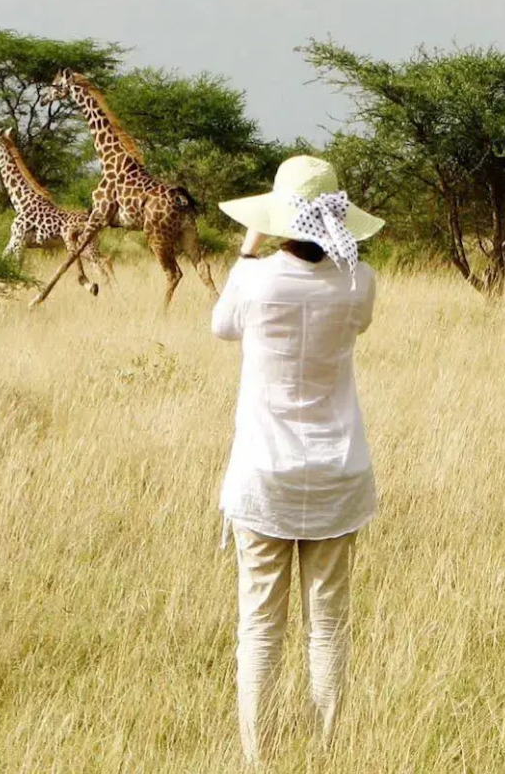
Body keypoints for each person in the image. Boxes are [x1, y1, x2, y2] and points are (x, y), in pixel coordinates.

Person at [210, 155, 384, 765]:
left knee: (260, 625)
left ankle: (259, 757)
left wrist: (248, 247)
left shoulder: (255, 280)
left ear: (279, 218)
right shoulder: (360, 281)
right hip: (339, 471)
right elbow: (356, 315)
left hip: (264, 476)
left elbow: (221, 325)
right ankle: (326, 752)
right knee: (328, 623)